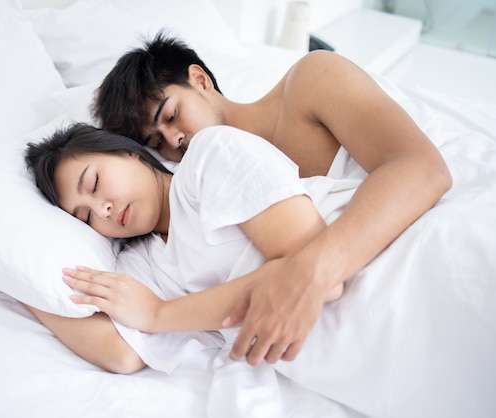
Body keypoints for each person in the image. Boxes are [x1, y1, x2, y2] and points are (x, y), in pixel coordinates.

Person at [89, 33, 452, 365]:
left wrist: (310, 272)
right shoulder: (199, 204)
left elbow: (422, 167)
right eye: (156, 144)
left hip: (432, 245)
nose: (174, 141)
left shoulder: (312, 79)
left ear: (200, 80)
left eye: (170, 116)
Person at [24, 122, 343, 374]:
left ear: (126, 152)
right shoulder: (140, 264)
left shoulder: (211, 155)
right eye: (86, 216)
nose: (102, 210)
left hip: (376, 288)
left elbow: (313, 269)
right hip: (338, 367)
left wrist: (158, 315)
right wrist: (23, 287)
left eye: (93, 184)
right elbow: (122, 354)